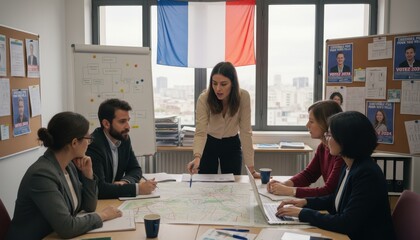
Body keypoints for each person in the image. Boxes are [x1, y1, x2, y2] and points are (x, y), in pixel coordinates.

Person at [276, 111, 396, 240]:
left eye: (330, 134)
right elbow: (335, 200)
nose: (326, 139)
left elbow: (346, 223)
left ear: (346, 139)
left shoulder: (367, 174)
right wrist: (304, 202)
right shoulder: (349, 165)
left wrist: (303, 213)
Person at [6, 112, 122, 239]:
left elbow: (89, 206)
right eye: (88, 139)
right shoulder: (42, 175)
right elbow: (67, 228)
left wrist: (88, 174)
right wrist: (103, 215)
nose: (89, 143)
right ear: (74, 143)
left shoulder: (68, 166)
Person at [186, 61, 259, 178]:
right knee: (206, 185)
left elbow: (246, 132)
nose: (218, 89)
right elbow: (200, 131)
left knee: (232, 185)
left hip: (231, 144)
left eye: (223, 84)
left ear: (233, 84)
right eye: (214, 83)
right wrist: (197, 157)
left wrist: (252, 170)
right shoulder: (204, 98)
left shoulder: (243, 97)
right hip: (209, 143)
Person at [267, 100, 344, 198]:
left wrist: (291, 191)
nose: (307, 125)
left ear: (326, 123)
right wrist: (285, 184)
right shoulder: (323, 147)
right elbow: (309, 175)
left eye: (311, 121)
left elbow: (328, 191)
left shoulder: (340, 153)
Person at [87, 98, 157, 199]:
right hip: (100, 202)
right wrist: (138, 189)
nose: (128, 127)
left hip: (115, 199)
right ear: (106, 124)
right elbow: (99, 189)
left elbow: (135, 169)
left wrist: (125, 182)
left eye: (128, 121)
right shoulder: (94, 145)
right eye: (122, 122)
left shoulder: (124, 139)